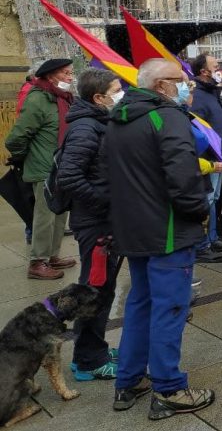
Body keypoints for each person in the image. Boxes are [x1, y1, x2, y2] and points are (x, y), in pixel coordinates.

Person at [106, 58, 214, 419]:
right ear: (160, 86)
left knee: (141, 304)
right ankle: (169, 388)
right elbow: (182, 176)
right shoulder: (166, 117)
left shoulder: (120, 117)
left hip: (134, 228)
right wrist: (199, 211)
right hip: (166, 228)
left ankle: (129, 379)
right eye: (180, 82)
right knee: (170, 308)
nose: (187, 87)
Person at [56, 69, 124, 381]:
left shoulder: (97, 122)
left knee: (102, 289)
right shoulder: (85, 128)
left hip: (102, 220)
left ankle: (93, 347)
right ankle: (88, 360)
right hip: (95, 224)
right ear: (98, 98)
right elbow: (69, 176)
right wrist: (104, 202)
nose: (120, 94)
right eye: (116, 89)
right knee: (95, 291)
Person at [5, 58, 77, 280]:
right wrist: (24, 155)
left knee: (59, 212)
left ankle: (52, 256)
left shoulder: (61, 98)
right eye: (65, 73)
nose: (70, 77)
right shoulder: (38, 99)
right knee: (44, 215)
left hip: (61, 165)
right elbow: (16, 137)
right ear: (51, 76)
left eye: (70, 73)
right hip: (44, 166)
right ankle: (37, 262)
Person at [189, 53, 222, 262]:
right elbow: (198, 129)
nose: (220, 68)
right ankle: (205, 243)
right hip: (209, 158)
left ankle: (212, 237)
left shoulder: (213, 93)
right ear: (204, 71)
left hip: (220, 154)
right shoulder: (200, 96)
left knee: (215, 199)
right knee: (208, 200)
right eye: (216, 65)